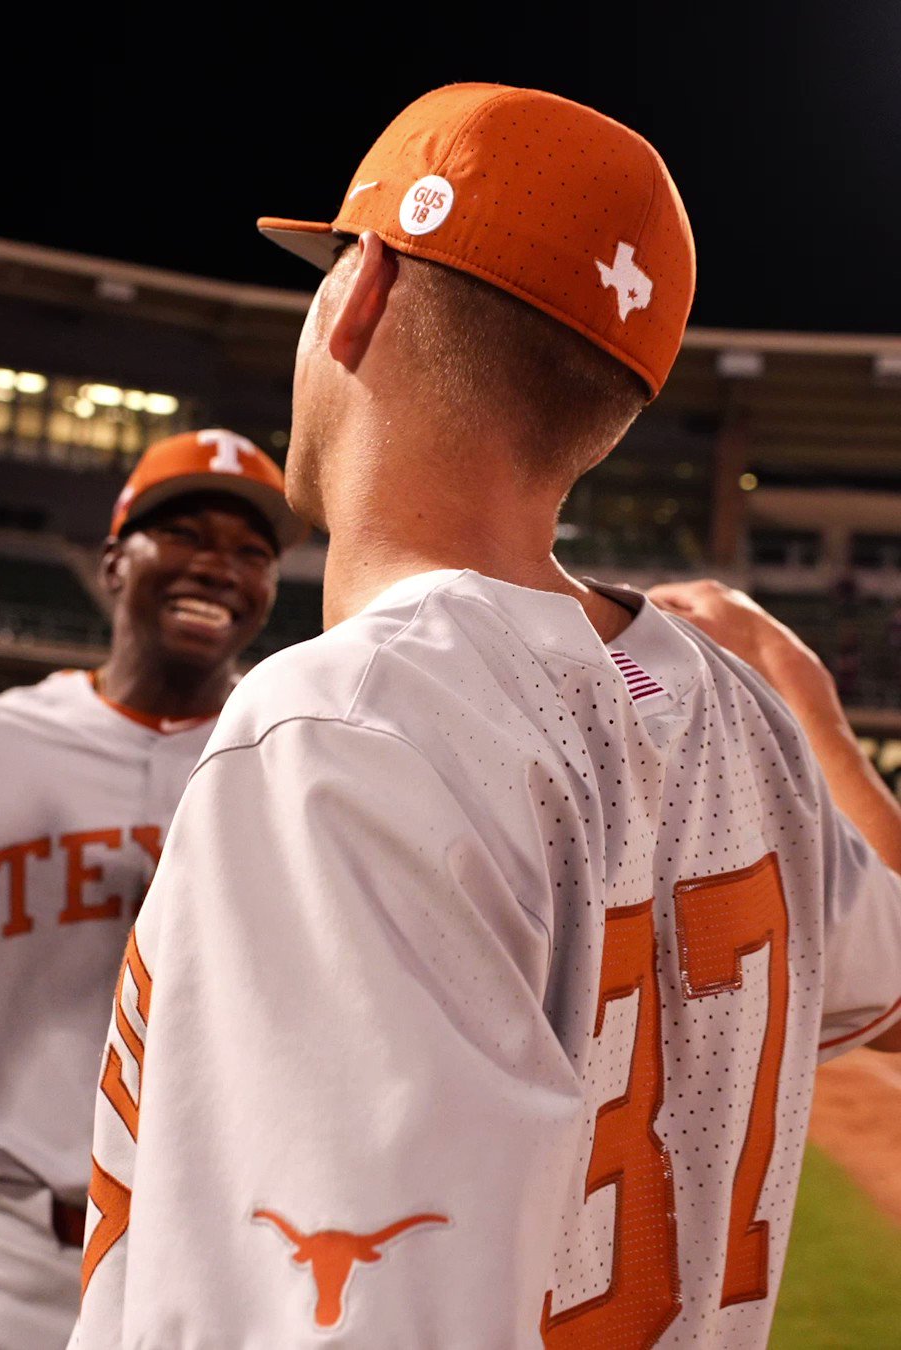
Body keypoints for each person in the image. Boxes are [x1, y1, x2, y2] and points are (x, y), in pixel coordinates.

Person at [72, 85, 901, 1349]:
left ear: (363, 293)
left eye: (330, 265)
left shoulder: (350, 723)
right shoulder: (743, 722)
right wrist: (829, 742)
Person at [0, 428, 304, 1348]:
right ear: (115, 563)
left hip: (229, 1268)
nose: (220, 567)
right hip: (15, 1271)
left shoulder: (299, 761)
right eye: (188, 536)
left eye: (252, 552)